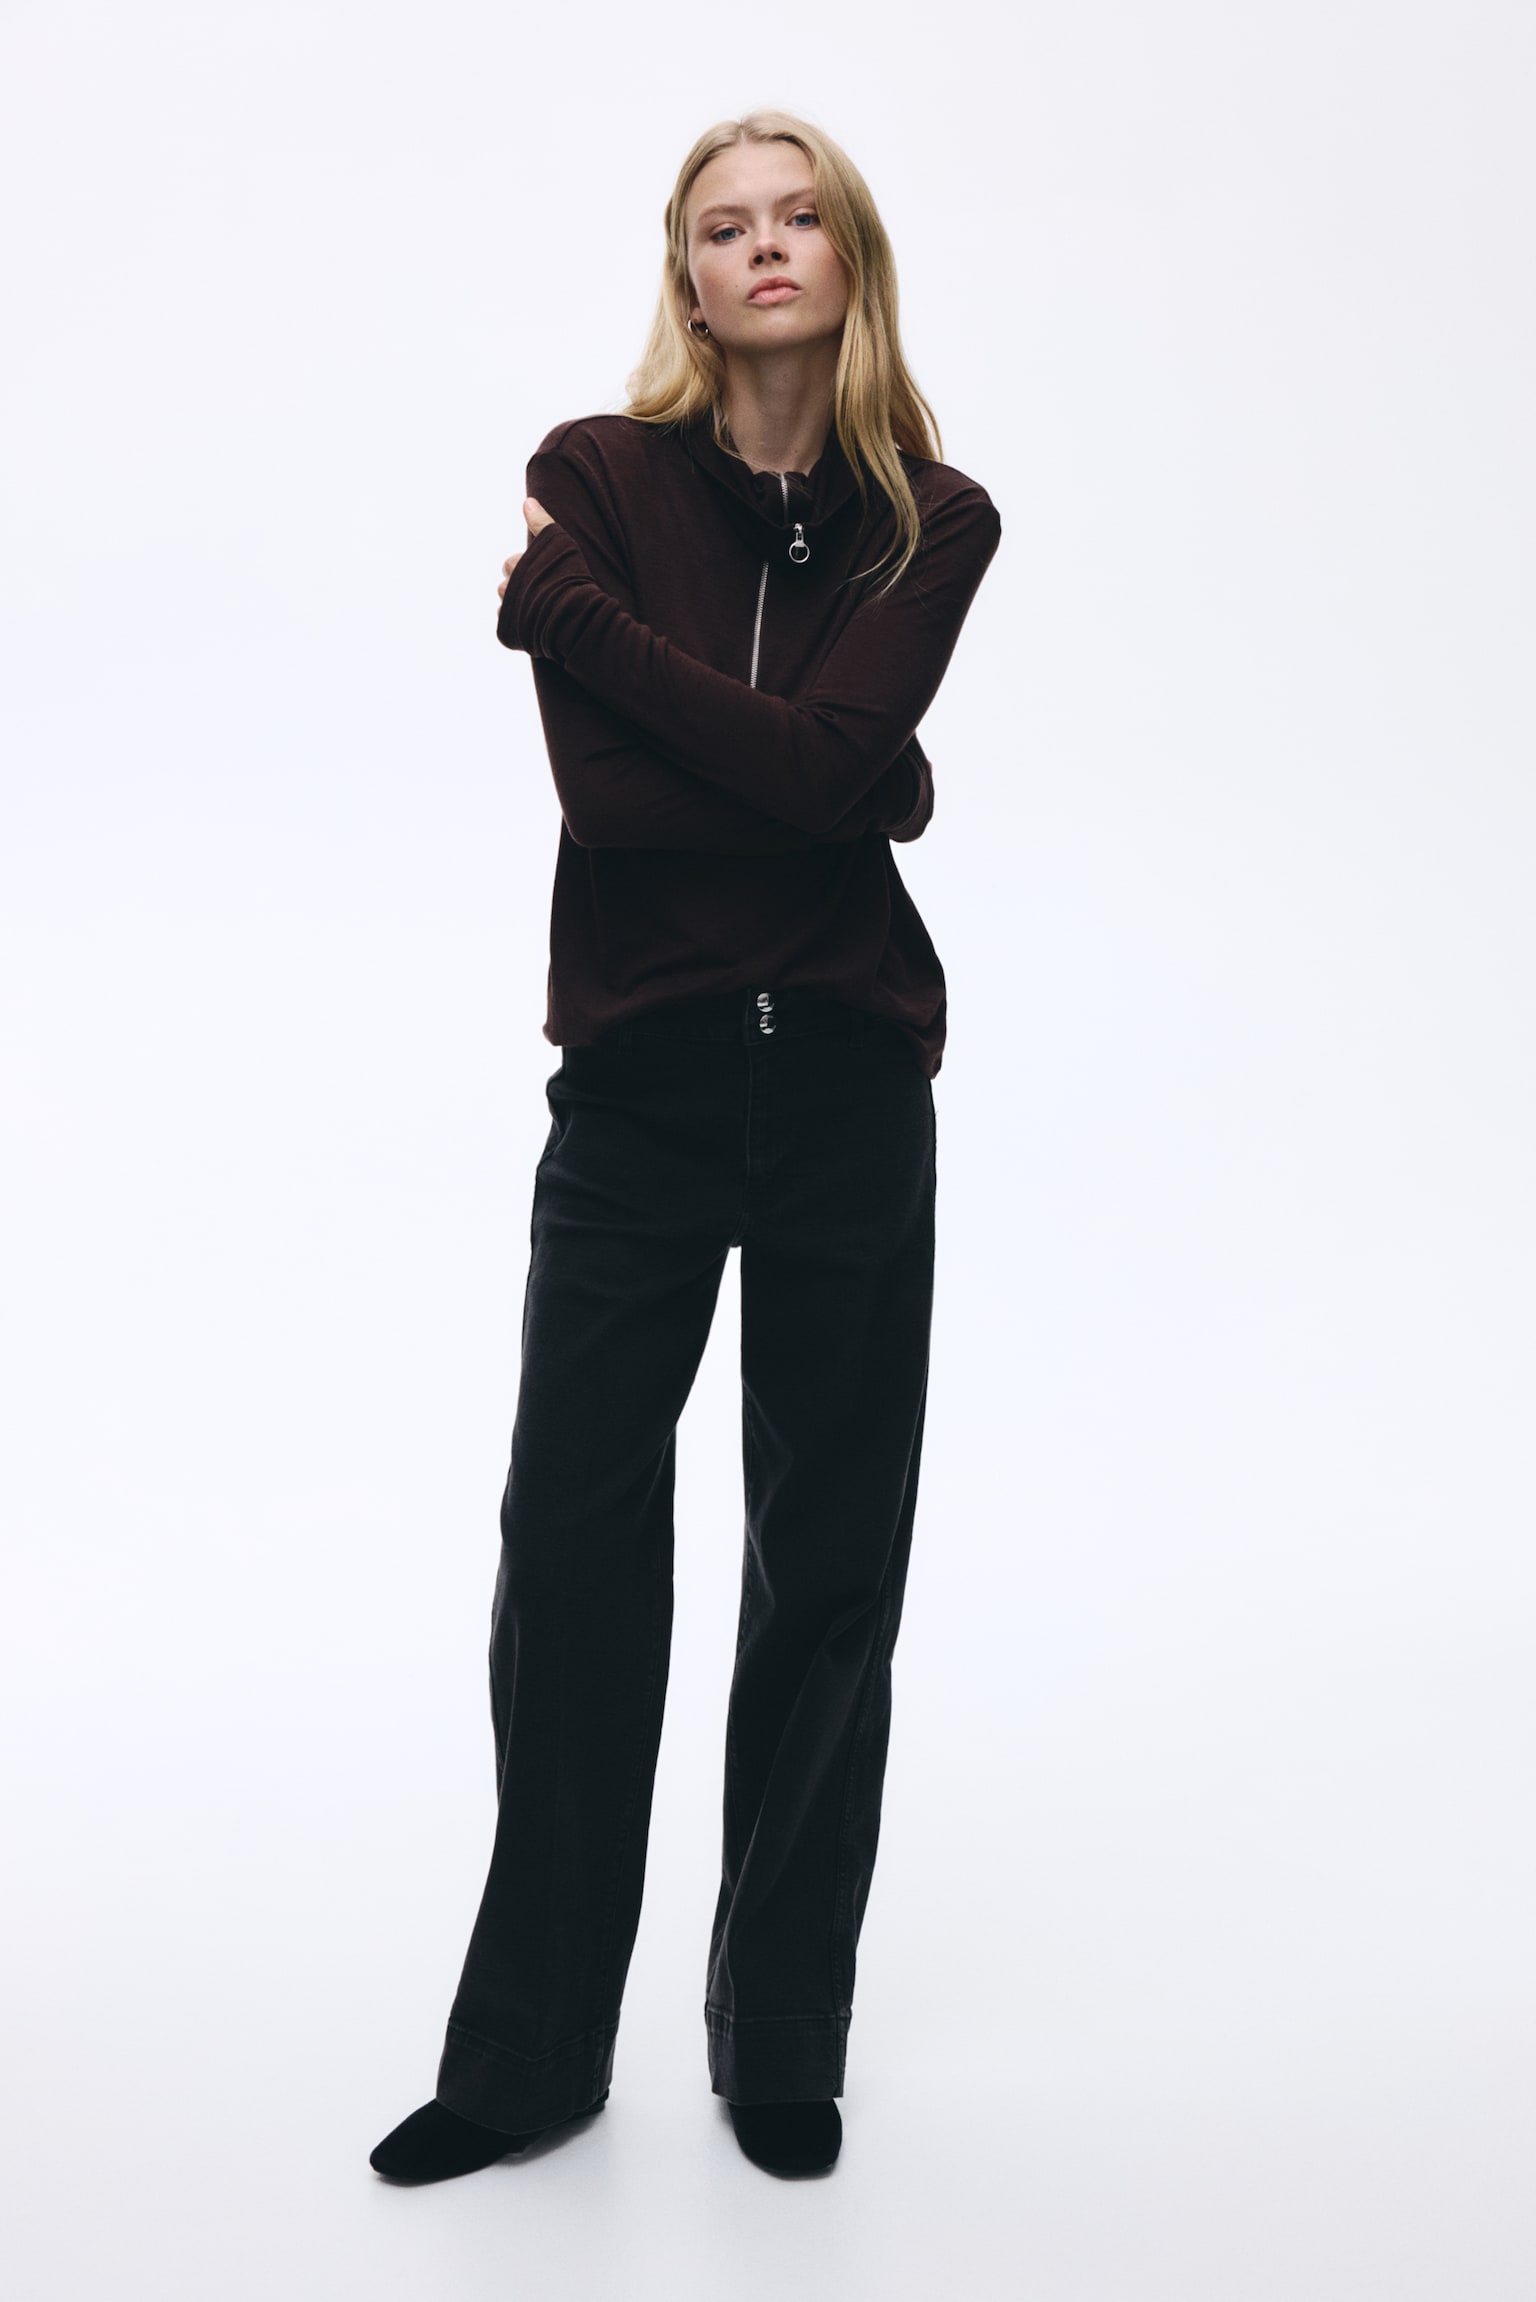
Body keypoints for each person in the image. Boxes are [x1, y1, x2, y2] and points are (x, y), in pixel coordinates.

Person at [369, 106, 1002, 2186]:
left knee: (830, 1568)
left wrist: (583, 636)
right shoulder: (597, 476)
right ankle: (530, 2052)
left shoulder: (936, 521)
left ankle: (781, 2033)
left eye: (800, 215)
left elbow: (812, 781)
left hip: (845, 1090)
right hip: (639, 1086)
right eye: (725, 226)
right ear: (688, 275)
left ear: (851, 256)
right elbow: (625, 810)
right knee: (571, 1546)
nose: (764, 247)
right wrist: (854, 780)